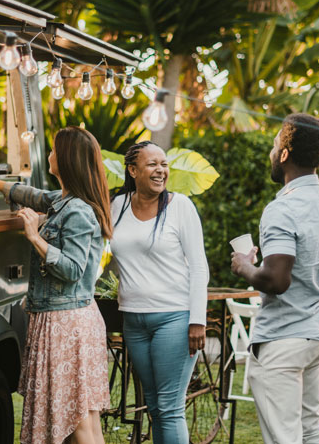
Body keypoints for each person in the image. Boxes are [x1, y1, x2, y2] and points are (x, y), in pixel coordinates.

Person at [0, 126, 111, 444]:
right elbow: (30, 196)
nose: (50, 155)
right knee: (82, 420)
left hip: (67, 324)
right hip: (65, 320)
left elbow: (72, 269)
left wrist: (34, 237)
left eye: (55, 150)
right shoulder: (64, 201)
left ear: (68, 160)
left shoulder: (78, 212)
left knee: (81, 424)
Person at [230, 113, 319, 444]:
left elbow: (277, 280)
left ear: (283, 154)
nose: (272, 151)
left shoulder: (282, 209)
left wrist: (245, 267)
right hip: (316, 333)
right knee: (310, 430)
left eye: (274, 144)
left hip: (283, 340)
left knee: (285, 437)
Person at [108, 141, 209, 444]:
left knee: (169, 407)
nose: (160, 170)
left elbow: (199, 267)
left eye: (163, 164)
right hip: (133, 320)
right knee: (154, 407)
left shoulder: (180, 207)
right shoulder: (118, 206)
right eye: (152, 164)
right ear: (132, 170)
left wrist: (198, 320)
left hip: (174, 319)